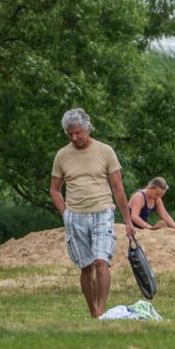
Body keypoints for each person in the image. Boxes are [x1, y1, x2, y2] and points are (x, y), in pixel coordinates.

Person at [50, 108, 137, 319]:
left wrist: (128, 221)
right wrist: (65, 214)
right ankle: (93, 313)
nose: (74, 137)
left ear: (88, 128)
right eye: (70, 134)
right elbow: (54, 189)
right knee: (86, 267)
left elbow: (117, 187)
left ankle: (101, 309)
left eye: (78, 132)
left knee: (101, 261)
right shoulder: (62, 155)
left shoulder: (105, 151)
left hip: (102, 212)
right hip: (75, 216)